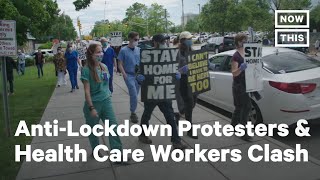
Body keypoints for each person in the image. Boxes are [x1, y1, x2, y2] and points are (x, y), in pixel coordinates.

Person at [137, 34, 188, 150]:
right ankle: (142, 135)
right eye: (161, 41)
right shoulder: (147, 55)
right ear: (154, 42)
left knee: (170, 116)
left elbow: (173, 69)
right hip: (151, 92)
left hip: (165, 92)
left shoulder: (170, 55)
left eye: (165, 41)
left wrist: (178, 74)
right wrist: (138, 77)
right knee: (147, 115)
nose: (164, 43)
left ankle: (176, 141)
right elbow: (140, 70)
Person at [81, 43, 128, 164]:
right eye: (97, 52)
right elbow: (86, 91)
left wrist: (108, 94)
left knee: (113, 127)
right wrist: (91, 108)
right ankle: (96, 150)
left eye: (101, 51)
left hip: (106, 102)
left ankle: (117, 155)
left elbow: (106, 84)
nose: (100, 54)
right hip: (93, 104)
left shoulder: (104, 67)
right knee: (93, 130)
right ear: (91, 54)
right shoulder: (86, 70)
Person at [176, 31, 198, 139]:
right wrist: (181, 70)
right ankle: (190, 129)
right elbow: (172, 69)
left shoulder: (192, 51)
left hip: (193, 81)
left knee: (192, 103)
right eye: (189, 39)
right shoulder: (178, 52)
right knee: (189, 103)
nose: (191, 40)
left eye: (191, 38)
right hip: (183, 82)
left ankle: (178, 115)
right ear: (183, 40)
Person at [230, 33, 252, 141]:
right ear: (238, 42)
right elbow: (234, 73)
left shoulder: (248, 52)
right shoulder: (236, 56)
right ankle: (244, 132)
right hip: (239, 85)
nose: (245, 42)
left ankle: (233, 125)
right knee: (246, 107)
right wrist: (240, 69)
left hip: (248, 83)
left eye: (246, 40)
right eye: (243, 40)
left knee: (239, 107)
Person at [118, 32, 141, 123]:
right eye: (135, 39)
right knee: (134, 94)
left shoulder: (139, 49)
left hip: (138, 76)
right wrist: (124, 75)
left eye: (138, 39)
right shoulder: (123, 50)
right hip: (129, 75)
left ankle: (133, 109)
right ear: (130, 39)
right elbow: (120, 64)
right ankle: (133, 112)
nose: (137, 41)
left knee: (136, 95)